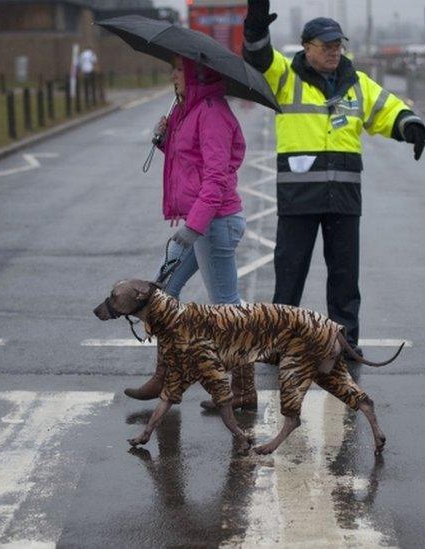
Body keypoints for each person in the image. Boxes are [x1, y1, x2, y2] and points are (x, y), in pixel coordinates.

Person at [242, 0, 425, 359]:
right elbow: (258, 58)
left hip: (343, 195)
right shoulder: (286, 75)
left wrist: (410, 125)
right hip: (299, 196)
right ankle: (280, 342)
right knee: (290, 274)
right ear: (306, 47)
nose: (333, 52)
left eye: (337, 45)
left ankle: (345, 343)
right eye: (325, 46)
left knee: (344, 279)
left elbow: (386, 109)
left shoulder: (355, 82)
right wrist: (255, 28)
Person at [123, 55, 255, 411]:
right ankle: (165, 377)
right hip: (201, 222)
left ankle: (242, 390)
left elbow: (215, 178)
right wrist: (164, 139)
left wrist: (194, 227)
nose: (173, 75)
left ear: (196, 74)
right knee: (161, 295)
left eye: (178, 70)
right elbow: (189, 162)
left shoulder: (211, 112)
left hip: (214, 223)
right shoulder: (191, 110)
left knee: (226, 308)